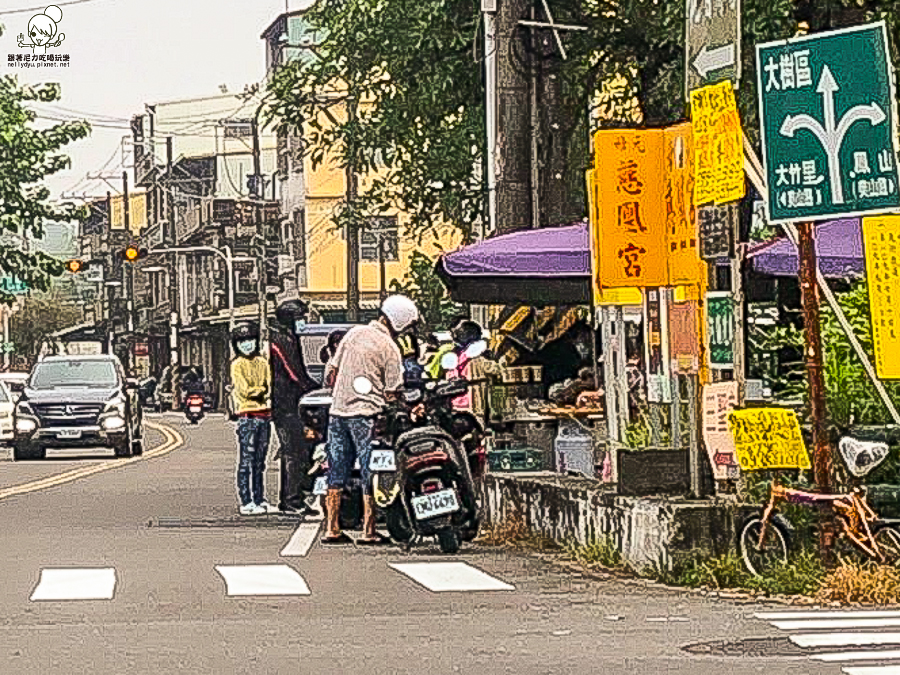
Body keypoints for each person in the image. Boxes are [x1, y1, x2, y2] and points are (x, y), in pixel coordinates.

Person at [320, 294, 418, 545]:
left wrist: (342, 394)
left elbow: (331, 371)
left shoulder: (353, 333)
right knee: (371, 471)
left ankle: (332, 527)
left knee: (336, 468)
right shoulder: (390, 348)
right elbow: (394, 391)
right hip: (367, 416)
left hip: (338, 412)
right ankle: (369, 529)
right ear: (400, 323)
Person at [270, 300, 319, 515]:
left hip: (292, 404)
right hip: (285, 405)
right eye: (300, 318)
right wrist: (312, 388)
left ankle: (293, 496)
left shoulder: (292, 338)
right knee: (293, 453)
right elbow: (294, 373)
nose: (303, 322)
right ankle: (292, 499)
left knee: (298, 451)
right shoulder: (280, 341)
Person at [229, 323, 276, 516]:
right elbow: (244, 390)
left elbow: (268, 386)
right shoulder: (237, 364)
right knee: (246, 461)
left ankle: (260, 498)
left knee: (260, 462)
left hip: (264, 416)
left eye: (250, 340)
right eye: (242, 341)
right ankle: (246, 500)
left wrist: (260, 392)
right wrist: (259, 391)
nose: (246, 344)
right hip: (247, 417)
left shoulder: (263, 362)